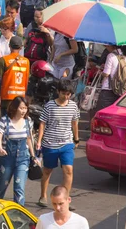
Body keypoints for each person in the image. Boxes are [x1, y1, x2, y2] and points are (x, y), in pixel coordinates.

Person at [37, 80, 80, 209]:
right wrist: (39, 140)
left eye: (68, 94)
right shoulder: (50, 106)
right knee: (47, 171)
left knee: (68, 171)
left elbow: (75, 123)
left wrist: (76, 139)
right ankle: (43, 196)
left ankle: (65, 199)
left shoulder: (73, 106)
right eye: (63, 93)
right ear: (58, 92)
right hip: (50, 144)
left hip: (66, 143)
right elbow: (42, 123)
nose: (66, 96)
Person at [0, 97, 37, 206]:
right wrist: (0, 148)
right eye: (21, 108)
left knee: (19, 187)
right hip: (7, 159)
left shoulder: (28, 121)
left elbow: (29, 139)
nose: (23, 111)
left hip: (23, 159)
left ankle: (19, 213)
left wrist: (34, 156)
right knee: (2, 185)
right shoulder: (5, 120)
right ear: (15, 108)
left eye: (25, 108)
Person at [0, 36, 29, 115]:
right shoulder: (26, 62)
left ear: (9, 46)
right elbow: (27, 79)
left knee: (6, 122)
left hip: (6, 97)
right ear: (21, 48)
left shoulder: (3, 60)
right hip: (20, 99)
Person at [96, 45, 122, 115]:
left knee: (102, 110)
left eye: (107, 46)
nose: (106, 48)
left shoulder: (110, 55)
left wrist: (100, 72)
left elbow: (106, 74)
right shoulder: (122, 55)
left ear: (111, 46)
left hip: (108, 87)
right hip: (118, 87)